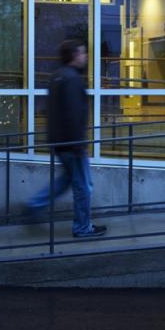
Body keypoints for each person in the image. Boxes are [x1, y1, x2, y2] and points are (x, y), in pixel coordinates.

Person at [23, 39, 106, 238]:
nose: (85, 56)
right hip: (72, 144)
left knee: (67, 180)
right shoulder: (73, 79)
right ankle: (82, 228)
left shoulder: (57, 77)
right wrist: (79, 145)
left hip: (59, 142)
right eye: (82, 53)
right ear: (74, 56)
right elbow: (73, 115)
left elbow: (52, 111)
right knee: (84, 185)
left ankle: (35, 205)